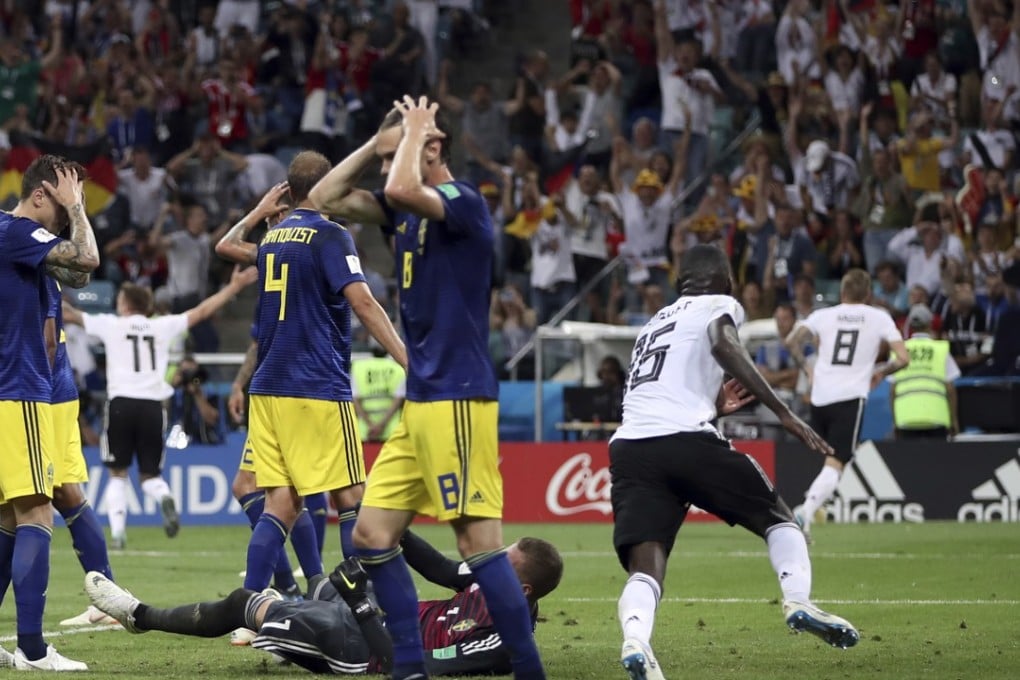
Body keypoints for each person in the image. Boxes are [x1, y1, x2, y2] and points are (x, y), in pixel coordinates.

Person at [307, 96, 546, 680]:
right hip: (422, 398)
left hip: (459, 395)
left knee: (476, 544)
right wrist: (378, 141)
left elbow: (407, 188)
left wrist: (411, 135)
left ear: (437, 149)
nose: (392, 167)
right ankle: (409, 670)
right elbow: (324, 199)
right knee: (370, 533)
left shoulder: (466, 203)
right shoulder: (402, 210)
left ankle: (529, 670)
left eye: (416, 147)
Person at [610, 244, 857, 680]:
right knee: (780, 518)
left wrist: (712, 407)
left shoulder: (651, 324)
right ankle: (798, 599)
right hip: (683, 438)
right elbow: (723, 344)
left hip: (630, 447)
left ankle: (636, 640)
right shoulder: (720, 303)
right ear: (726, 280)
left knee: (646, 566)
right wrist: (783, 411)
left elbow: (661, 388)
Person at [213, 153, 406, 600]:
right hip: (315, 385)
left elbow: (226, 245)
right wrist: (407, 360)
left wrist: (260, 213)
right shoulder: (331, 235)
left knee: (280, 502)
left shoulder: (274, 237)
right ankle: (364, 605)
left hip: (268, 390)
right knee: (351, 497)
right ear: (330, 187)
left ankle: (250, 608)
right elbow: (363, 303)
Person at [84, 531, 563, 676]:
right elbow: (441, 570)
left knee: (242, 602)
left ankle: (137, 615)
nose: (488, 565)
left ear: (522, 593)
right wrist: (393, 525)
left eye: (503, 564)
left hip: (365, 646)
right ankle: (291, 612)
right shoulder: (489, 584)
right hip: (386, 615)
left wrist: (362, 609)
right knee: (329, 585)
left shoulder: (504, 642)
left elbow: (410, 666)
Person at [62, 268, 258, 550]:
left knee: (117, 473)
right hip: (153, 407)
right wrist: (233, 286)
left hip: (121, 404)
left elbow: (69, 314)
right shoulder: (162, 326)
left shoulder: (111, 324)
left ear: (125, 304)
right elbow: (202, 312)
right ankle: (164, 496)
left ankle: (117, 535)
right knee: (149, 476)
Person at [0, 157, 99, 671]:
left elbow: (75, 278)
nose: (64, 219)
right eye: (59, 207)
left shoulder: (14, 241)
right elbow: (88, 260)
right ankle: (33, 649)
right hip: (17, 391)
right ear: (40, 194)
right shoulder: (18, 232)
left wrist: (72, 208)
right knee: (39, 513)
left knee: (9, 521)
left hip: (8, 393)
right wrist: (78, 208)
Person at [784, 269, 910, 541]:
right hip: (849, 397)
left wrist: (808, 368)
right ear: (868, 294)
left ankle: (809, 516)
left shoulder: (823, 315)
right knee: (837, 462)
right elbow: (902, 358)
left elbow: (792, 341)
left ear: (842, 293)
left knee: (829, 461)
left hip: (819, 398)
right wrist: (881, 372)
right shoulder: (879, 317)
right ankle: (804, 511)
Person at [44, 277, 118, 629]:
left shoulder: (23, 264)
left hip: (36, 395)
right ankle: (109, 597)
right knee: (65, 495)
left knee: (31, 505)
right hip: (50, 391)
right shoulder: (37, 264)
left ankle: (108, 598)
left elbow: (45, 343)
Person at [890, 305, 960, 439]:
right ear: (930, 324)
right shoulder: (940, 349)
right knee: (937, 460)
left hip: (906, 418)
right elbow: (950, 389)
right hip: (936, 417)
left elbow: (892, 391)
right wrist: (954, 420)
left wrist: (895, 421)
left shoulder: (900, 351)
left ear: (910, 326)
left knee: (909, 460)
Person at [352, 342, 407, 443]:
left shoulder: (358, 368)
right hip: (391, 431)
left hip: (365, 431)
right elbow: (398, 401)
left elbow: (355, 401)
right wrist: (381, 425)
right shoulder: (398, 368)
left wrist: (370, 425)